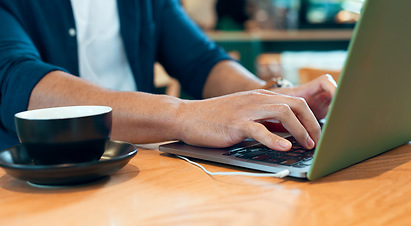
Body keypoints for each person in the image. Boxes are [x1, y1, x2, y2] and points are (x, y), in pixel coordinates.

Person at [0, 0, 336, 152]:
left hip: (141, 168)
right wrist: (183, 115)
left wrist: (272, 98)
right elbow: (17, 80)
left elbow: (203, 62)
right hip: (36, 178)